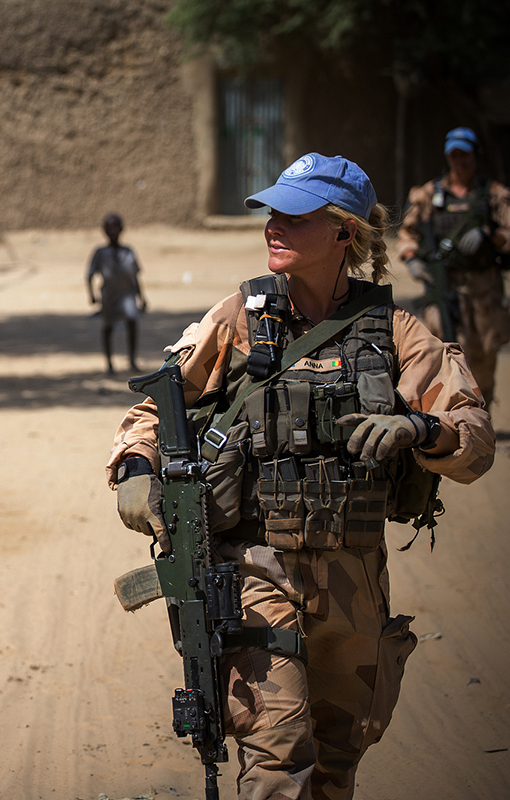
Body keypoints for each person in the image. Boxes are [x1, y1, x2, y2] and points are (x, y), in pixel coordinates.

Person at [106, 154, 494, 800]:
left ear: (344, 232)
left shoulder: (396, 331)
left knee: (335, 772)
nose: (273, 226)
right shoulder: (240, 318)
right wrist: (136, 469)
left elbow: (476, 438)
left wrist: (420, 430)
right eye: (272, 213)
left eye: (295, 215)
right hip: (257, 572)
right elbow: (156, 405)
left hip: (355, 588)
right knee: (278, 767)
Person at [397, 126, 510, 404]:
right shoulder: (428, 195)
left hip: (484, 286)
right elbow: (408, 234)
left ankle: (480, 410)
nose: (460, 161)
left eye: (465, 154)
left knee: (484, 353)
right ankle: (452, 413)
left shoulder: (493, 194)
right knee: (443, 348)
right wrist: (412, 260)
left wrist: (488, 234)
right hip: (443, 285)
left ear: (475, 155)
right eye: (455, 155)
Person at [86, 213, 147, 374]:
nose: (113, 230)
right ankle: (109, 363)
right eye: (109, 227)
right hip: (109, 295)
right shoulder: (100, 253)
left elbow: (135, 276)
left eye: (116, 226)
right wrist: (91, 295)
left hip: (127, 294)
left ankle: (132, 360)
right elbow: (89, 275)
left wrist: (142, 297)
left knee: (132, 321)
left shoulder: (128, 251)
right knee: (108, 327)